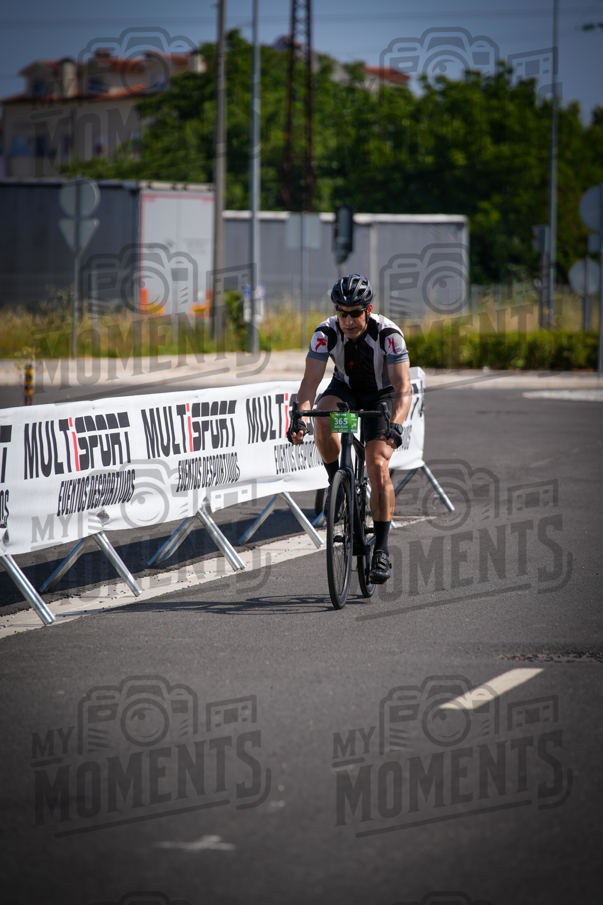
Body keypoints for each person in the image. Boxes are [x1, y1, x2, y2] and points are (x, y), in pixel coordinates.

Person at [287, 273, 412, 584]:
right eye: (342, 313)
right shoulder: (325, 333)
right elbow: (310, 383)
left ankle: (381, 550)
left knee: (377, 464)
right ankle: (339, 485)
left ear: (368, 310)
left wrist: (397, 423)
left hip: (381, 396)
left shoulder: (389, 335)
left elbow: (403, 388)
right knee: (322, 417)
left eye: (355, 313)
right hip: (346, 391)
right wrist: (299, 418)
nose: (348, 320)